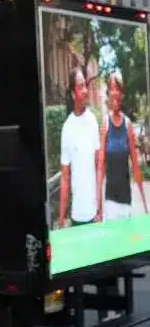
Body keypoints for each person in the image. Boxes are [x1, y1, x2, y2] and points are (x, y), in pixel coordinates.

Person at [99, 72, 148, 220]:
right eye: (111, 88)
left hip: (126, 198)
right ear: (109, 93)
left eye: (117, 88)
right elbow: (100, 166)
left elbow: (135, 166)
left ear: (121, 94)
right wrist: (99, 206)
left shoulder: (127, 125)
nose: (114, 92)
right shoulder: (105, 124)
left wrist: (145, 206)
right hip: (110, 200)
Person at [58, 68, 102, 228]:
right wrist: (61, 219)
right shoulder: (67, 128)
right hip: (76, 217)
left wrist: (99, 207)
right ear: (72, 93)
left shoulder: (92, 121)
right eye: (81, 86)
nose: (85, 91)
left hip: (94, 215)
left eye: (86, 86)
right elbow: (65, 177)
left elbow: (99, 167)